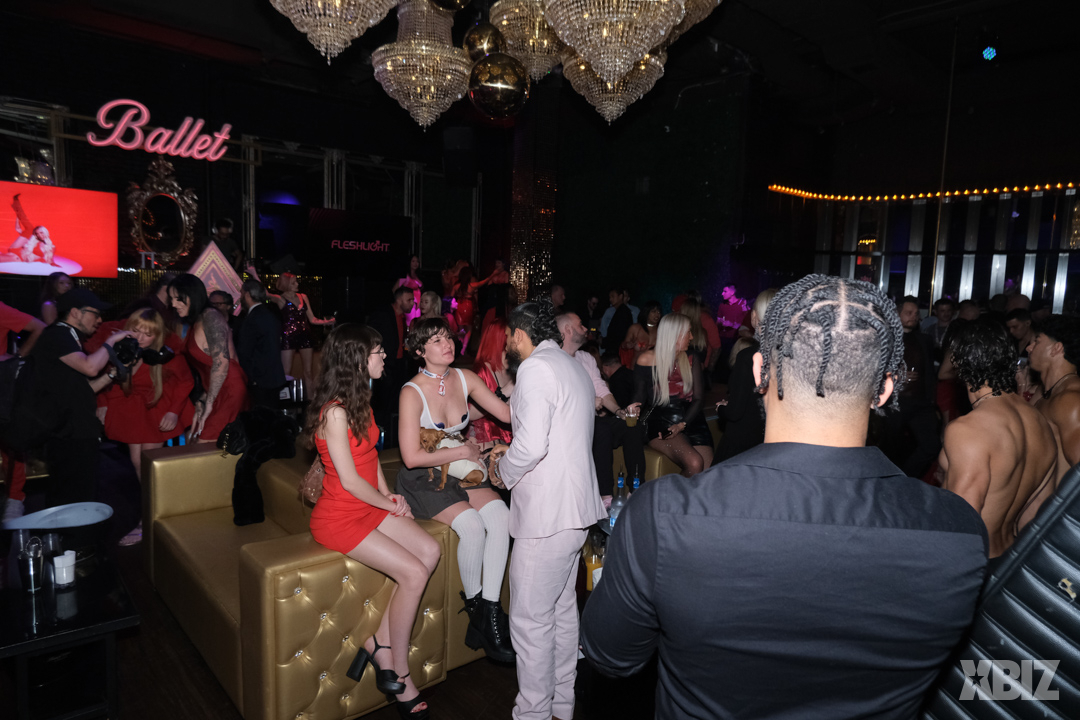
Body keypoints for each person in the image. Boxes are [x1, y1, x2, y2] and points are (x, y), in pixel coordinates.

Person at [581, 275, 988, 720]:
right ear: (886, 389)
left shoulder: (666, 514)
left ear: (759, 372)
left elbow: (610, 655)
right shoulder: (959, 532)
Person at [304, 323, 440, 719]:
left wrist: (389, 495)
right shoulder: (334, 413)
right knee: (414, 572)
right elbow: (348, 480)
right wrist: (386, 503)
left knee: (430, 550)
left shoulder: (359, 400)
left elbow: (369, 458)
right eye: (378, 352)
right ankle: (399, 671)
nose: (384, 357)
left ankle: (379, 642)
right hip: (341, 516)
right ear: (357, 359)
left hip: (369, 505)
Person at [487, 300, 607, 720]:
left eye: (508, 336)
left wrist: (502, 471)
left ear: (520, 334)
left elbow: (532, 445)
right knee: (561, 612)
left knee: (530, 622)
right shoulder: (572, 365)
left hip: (547, 515)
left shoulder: (536, 368)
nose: (507, 344)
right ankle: (561, 705)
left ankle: (533, 713)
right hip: (574, 512)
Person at [395, 318, 515, 662]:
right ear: (420, 351)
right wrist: (463, 451)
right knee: (472, 527)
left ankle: (490, 613)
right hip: (425, 476)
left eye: (447, 337)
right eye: (435, 340)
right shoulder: (411, 391)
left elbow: (507, 414)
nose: (446, 344)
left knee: (501, 517)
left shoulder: (465, 378)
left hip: (461, 471)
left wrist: (526, 386)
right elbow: (411, 457)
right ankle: (478, 612)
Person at [939, 321, 1057, 558]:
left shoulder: (968, 429)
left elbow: (961, 526)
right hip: (1012, 559)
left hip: (973, 563)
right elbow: (1036, 514)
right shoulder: (1041, 422)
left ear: (959, 361)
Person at [33, 288, 131, 507]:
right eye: (95, 313)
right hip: (66, 433)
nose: (99, 320)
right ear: (75, 312)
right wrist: (111, 341)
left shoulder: (70, 337)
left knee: (79, 493)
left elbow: (84, 389)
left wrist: (112, 374)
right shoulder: (57, 335)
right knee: (71, 497)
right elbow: (90, 367)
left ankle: (74, 528)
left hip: (75, 431)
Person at [97, 308, 194, 481]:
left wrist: (173, 411)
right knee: (137, 461)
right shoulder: (119, 350)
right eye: (135, 331)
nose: (140, 338)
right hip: (132, 408)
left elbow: (186, 381)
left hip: (157, 407)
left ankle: (160, 497)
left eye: (148, 334)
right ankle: (149, 497)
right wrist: (102, 403)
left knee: (149, 461)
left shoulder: (166, 355)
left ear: (157, 336)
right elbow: (105, 378)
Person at [559, 312, 646, 495]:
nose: (586, 329)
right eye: (580, 325)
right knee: (601, 429)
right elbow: (558, 396)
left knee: (632, 426)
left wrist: (620, 412)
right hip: (567, 425)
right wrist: (587, 402)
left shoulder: (585, 358)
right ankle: (605, 495)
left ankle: (636, 489)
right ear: (567, 330)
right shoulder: (554, 359)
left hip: (592, 421)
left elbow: (601, 389)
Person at [168, 274, 248, 442]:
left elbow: (222, 363)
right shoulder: (199, 320)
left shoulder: (211, 316)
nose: (173, 304)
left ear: (192, 295)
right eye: (171, 299)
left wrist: (209, 404)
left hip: (229, 390)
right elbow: (209, 369)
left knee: (205, 443)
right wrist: (203, 401)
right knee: (196, 440)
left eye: (178, 298)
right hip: (217, 390)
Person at [633, 313, 713, 475]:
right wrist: (628, 412)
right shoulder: (647, 359)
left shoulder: (691, 358)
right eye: (688, 332)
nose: (691, 337)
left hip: (691, 420)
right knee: (695, 463)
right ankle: (667, 492)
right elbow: (639, 397)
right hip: (662, 422)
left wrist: (683, 424)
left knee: (707, 473)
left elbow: (698, 399)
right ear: (675, 335)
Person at [713, 288, 777, 465]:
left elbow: (735, 412)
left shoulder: (748, 357)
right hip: (773, 443)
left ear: (755, 316)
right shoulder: (793, 358)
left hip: (743, 445)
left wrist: (722, 408)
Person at [879, 296, 940, 478]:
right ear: (897, 315)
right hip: (893, 403)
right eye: (909, 313)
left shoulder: (924, 340)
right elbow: (873, 368)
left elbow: (930, 371)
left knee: (932, 446)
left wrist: (932, 400)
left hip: (921, 403)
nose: (914, 316)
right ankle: (890, 481)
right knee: (890, 449)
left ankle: (905, 478)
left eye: (916, 313)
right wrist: (897, 376)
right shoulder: (885, 339)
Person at [249, 269, 334, 387]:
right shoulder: (280, 299)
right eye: (294, 283)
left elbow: (312, 319)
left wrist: (326, 322)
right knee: (286, 373)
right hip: (288, 336)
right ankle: (285, 397)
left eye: (296, 282)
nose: (297, 284)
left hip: (305, 335)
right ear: (287, 285)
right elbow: (265, 294)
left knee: (308, 372)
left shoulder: (303, 297)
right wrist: (254, 274)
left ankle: (310, 398)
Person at [1028, 315, 1080, 488]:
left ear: (1057, 348)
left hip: (1055, 503)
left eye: (1037, 341)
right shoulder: (1047, 394)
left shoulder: (1070, 400)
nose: (1029, 347)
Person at [368, 286, 416, 438]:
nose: (412, 303)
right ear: (399, 299)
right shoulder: (383, 314)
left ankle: (391, 435)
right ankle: (380, 434)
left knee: (395, 403)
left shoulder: (402, 318)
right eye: (409, 300)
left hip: (399, 365)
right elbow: (371, 337)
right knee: (383, 404)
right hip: (385, 365)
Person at [237, 279, 287, 410]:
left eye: (241, 293)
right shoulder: (271, 315)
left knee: (260, 417)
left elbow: (245, 352)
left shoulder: (252, 319)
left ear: (247, 294)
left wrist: (249, 378)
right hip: (274, 377)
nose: (240, 297)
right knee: (272, 416)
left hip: (260, 380)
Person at [469, 317, 514, 450]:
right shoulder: (482, 372)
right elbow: (470, 413)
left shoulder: (515, 369)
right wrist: (505, 391)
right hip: (485, 440)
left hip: (510, 438)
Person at [620, 300, 661, 369]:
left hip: (655, 368)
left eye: (659, 312)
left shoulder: (661, 330)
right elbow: (623, 346)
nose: (657, 314)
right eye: (653, 311)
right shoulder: (635, 328)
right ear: (646, 312)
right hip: (636, 368)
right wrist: (627, 345)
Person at [393, 254, 423, 326]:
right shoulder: (405, 276)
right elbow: (394, 289)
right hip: (409, 304)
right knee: (409, 324)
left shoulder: (418, 276)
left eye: (417, 261)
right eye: (413, 261)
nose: (415, 263)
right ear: (409, 262)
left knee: (417, 324)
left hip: (418, 305)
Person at [601, 289, 633, 356]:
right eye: (610, 297)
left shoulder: (623, 312)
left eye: (613, 296)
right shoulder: (620, 311)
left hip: (617, 351)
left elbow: (618, 335)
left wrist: (603, 341)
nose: (610, 299)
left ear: (620, 296)